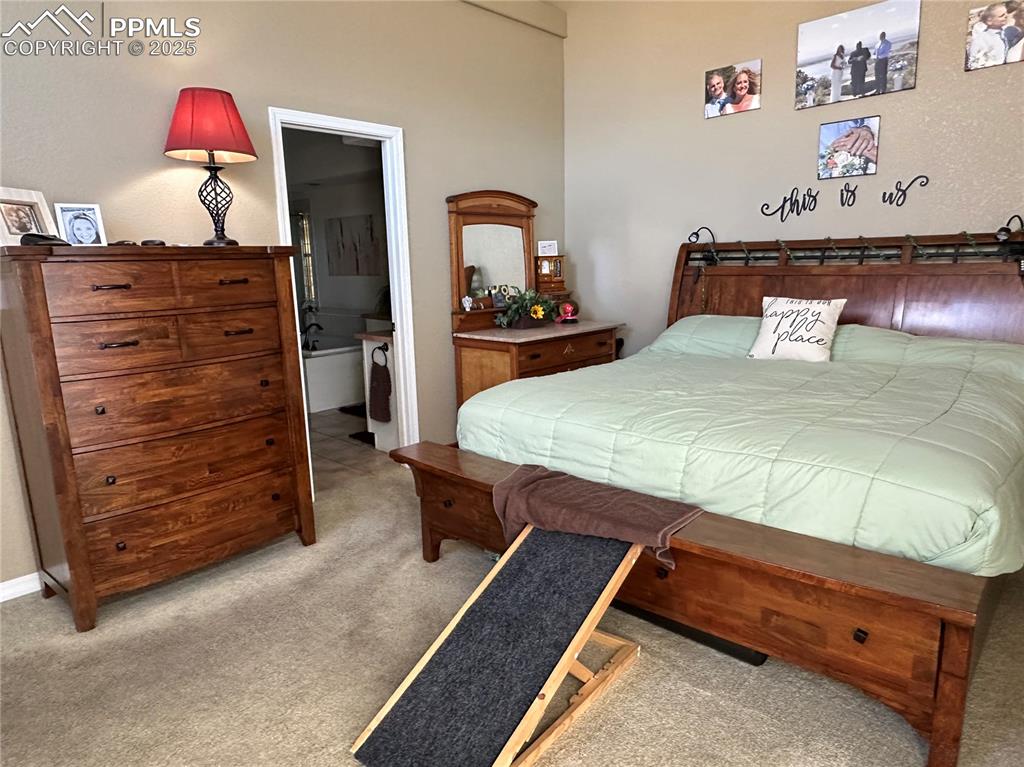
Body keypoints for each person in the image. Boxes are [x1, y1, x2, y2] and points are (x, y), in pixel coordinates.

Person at [967, 3, 1012, 69]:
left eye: (1006, 13)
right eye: (1001, 16)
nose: (1006, 16)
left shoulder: (1008, 31)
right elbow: (973, 63)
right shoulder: (980, 39)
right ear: (989, 21)